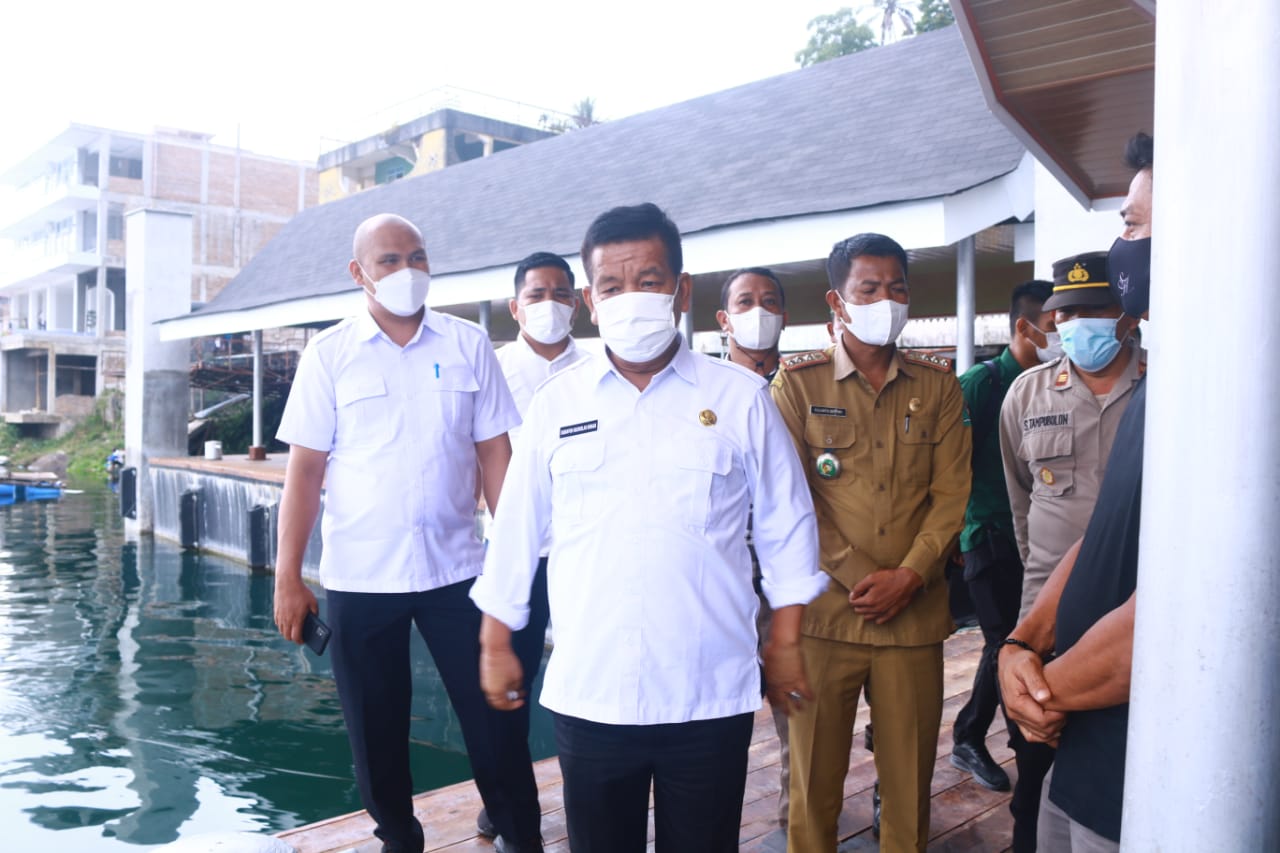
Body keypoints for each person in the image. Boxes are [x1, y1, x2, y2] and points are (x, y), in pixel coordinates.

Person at [471, 202, 827, 853]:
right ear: (590, 300)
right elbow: (516, 530)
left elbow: (788, 526)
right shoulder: (557, 404)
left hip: (709, 693)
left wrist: (785, 638)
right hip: (592, 692)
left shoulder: (740, 398)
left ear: (681, 291)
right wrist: (495, 640)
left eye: (649, 280)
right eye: (611, 286)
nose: (630, 297)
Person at [272, 213, 542, 853]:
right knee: (375, 728)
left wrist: (516, 556)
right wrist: (287, 576)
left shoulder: (467, 344)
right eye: (390, 260)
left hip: (458, 569)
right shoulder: (329, 354)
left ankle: (518, 831)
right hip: (361, 576)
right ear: (358, 272)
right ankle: (398, 835)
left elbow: (495, 455)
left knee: (495, 714)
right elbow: (305, 471)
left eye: (417, 257)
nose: (407, 270)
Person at [770, 233, 971, 853]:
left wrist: (908, 576)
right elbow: (789, 501)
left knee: (909, 789)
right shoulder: (798, 386)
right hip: (825, 619)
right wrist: (863, 576)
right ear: (837, 301)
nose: (886, 299)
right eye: (869, 288)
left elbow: (951, 495)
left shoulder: (939, 385)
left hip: (912, 619)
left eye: (897, 288)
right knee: (812, 791)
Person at [998, 132, 1154, 851]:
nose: (1127, 246)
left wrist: (1042, 688)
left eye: (1136, 225)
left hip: (1124, 715)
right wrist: (1022, 641)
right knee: (1034, 799)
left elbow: (1186, 604)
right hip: (1058, 647)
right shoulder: (1028, 394)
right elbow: (1039, 512)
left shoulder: (1213, 382)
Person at [477, 251, 589, 840]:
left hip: (581, 554)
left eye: (561, 293)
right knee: (506, 691)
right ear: (515, 307)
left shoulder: (598, 369)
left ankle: (589, 805)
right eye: (537, 294)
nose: (550, 304)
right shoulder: (492, 370)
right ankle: (508, 811)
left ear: (577, 304)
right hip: (514, 553)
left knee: (583, 681)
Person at [949, 279, 1056, 796]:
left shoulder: (1053, 384)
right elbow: (947, 463)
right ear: (1023, 327)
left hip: (1033, 540)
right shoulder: (981, 384)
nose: (1061, 335)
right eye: (1053, 325)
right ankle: (1021, 749)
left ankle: (970, 734)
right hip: (986, 534)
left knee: (1015, 640)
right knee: (1004, 642)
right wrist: (954, 534)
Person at [716, 266, 792, 841]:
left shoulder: (807, 387)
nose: (758, 312)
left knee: (797, 711)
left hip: (787, 582)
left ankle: (797, 817)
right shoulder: (705, 392)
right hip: (726, 581)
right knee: (722, 719)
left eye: (769, 301)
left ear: (785, 316)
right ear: (724, 319)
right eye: (745, 302)